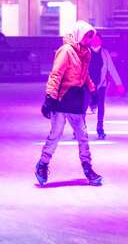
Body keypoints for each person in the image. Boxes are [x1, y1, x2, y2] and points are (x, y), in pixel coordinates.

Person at [35, 20, 103, 186]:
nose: (89, 40)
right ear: (79, 34)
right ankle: (42, 164)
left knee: (83, 136)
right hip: (61, 99)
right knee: (56, 134)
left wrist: (92, 91)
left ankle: (88, 167)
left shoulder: (85, 52)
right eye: (87, 36)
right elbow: (56, 74)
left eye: (90, 37)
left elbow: (85, 74)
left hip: (77, 100)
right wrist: (49, 97)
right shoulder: (66, 51)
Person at [89, 32, 125, 139]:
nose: (95, 41)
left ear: (101, 41)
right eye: (94, 39)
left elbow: (112, 69)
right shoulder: (85, 52)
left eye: (98, 39)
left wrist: (119, 84)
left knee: (100, 106)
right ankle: (79, 129)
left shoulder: (105, 53)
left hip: (101, 85)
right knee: (83, 106)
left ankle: (100, 128)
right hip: (87, 85)